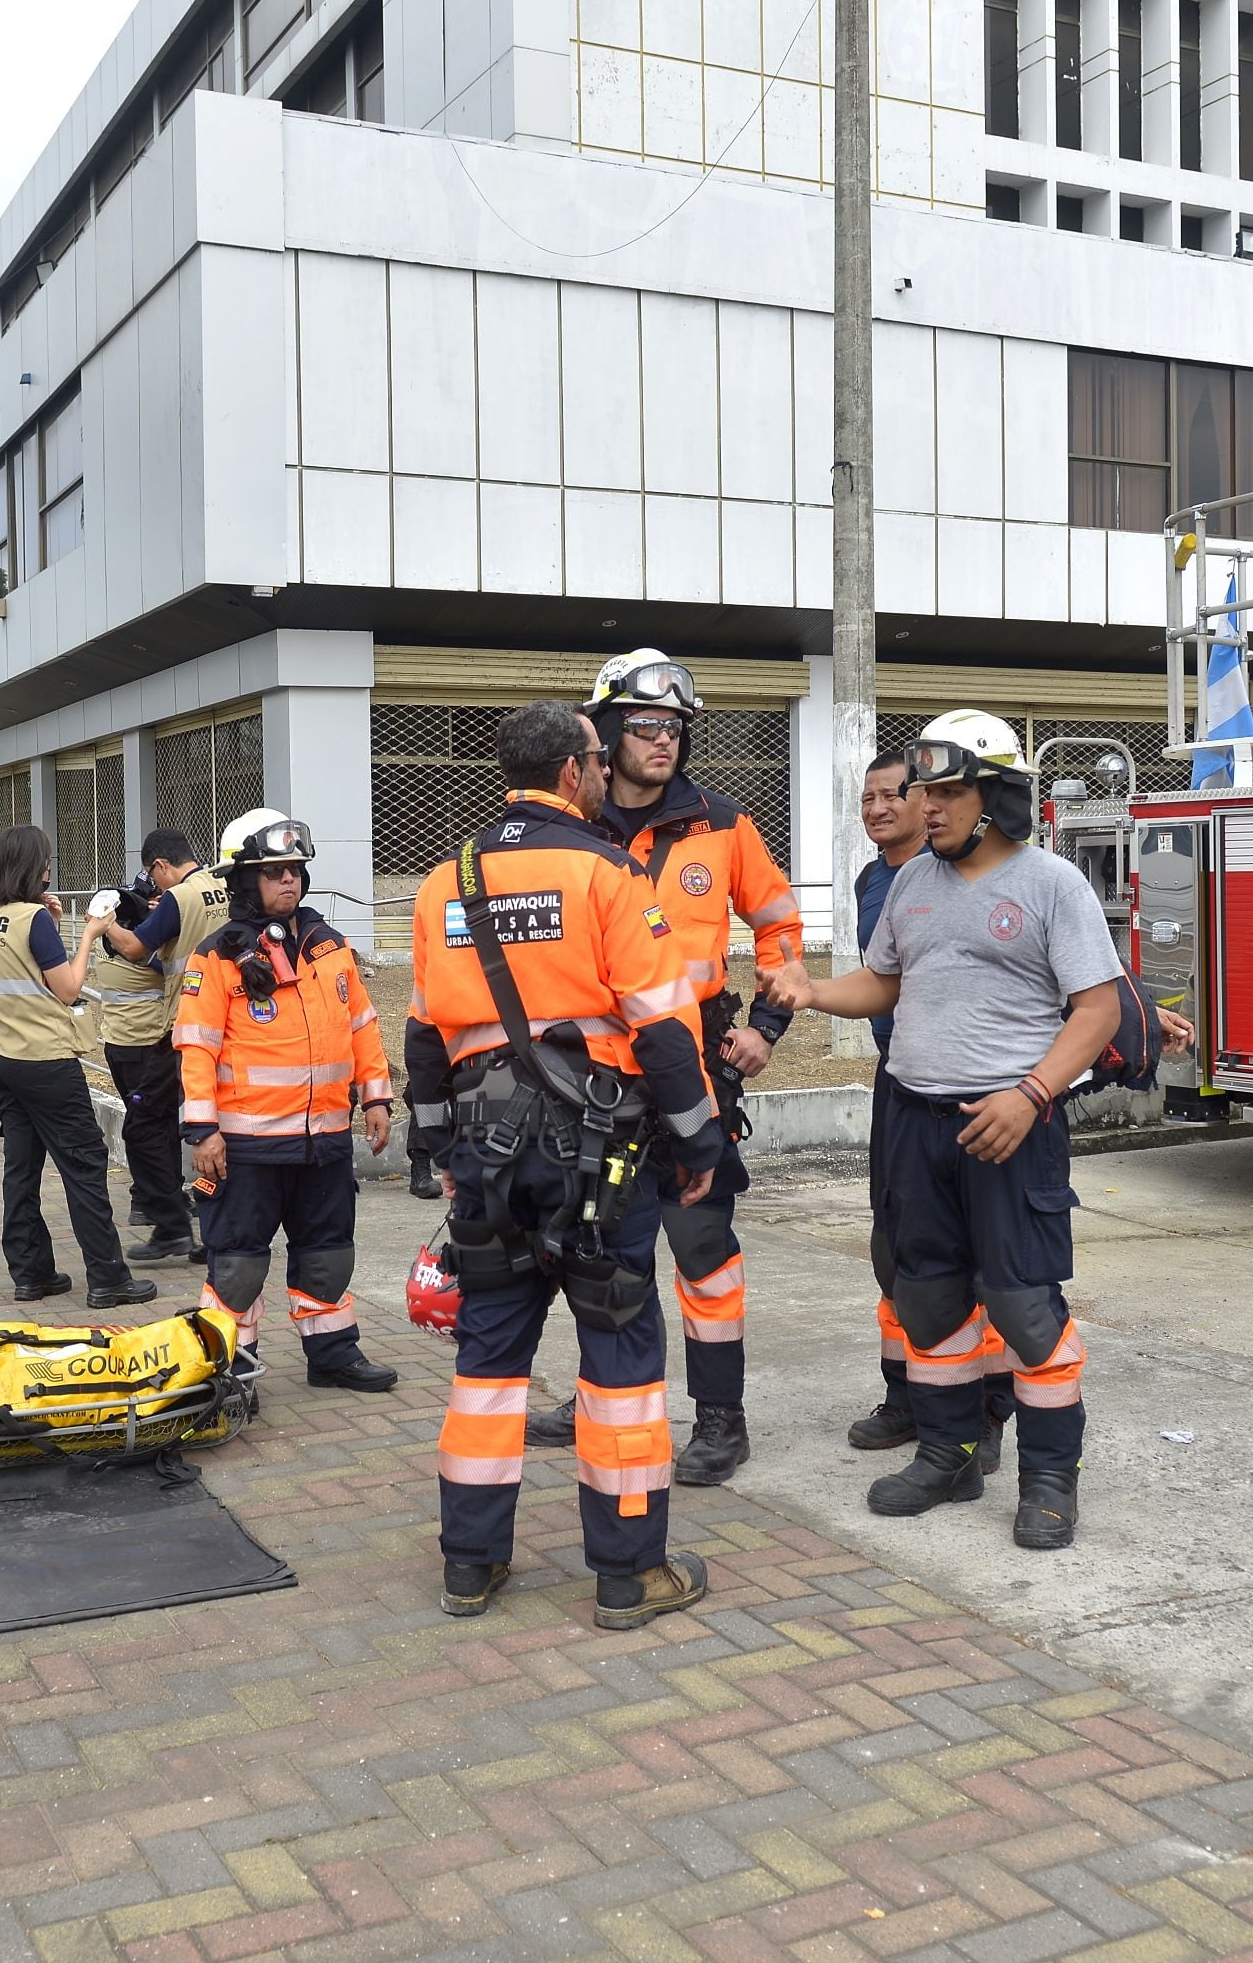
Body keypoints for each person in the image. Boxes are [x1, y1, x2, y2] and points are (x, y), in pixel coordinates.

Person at [763, 709, 1118, 1552]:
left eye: (950, 792)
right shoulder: (912, 884)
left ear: (997, 797)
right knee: (926, 1300)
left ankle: (1048, 1481)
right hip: (916, 1123)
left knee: (1026, 1311)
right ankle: (950, 1453)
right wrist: (813, 992)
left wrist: (1031, 1094)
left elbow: (1098, 1010)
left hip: (1010, 1127)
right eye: (928, 791)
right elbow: (884, 983)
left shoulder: (1051, 885)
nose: (930, 808)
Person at [407, 700, 720, 1630]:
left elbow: (425, 1039)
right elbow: (664, 1028)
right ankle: (629, 1576)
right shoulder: (609, 874)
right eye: (596, 756)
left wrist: (437, 1151)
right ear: (576, 773)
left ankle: (471, 1566)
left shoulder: (441, 883)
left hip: (488, 1155)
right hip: (601, 1162)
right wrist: (699, 1142)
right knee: (620, 1360)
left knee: (488, 1364)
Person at [520, 650, 800, 1488]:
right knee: (597, 1241)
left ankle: (721, 1419)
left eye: (675, 727)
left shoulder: (722, 822)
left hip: (698, 1067)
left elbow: (780, 927)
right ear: (603, 736)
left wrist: (769, 1026)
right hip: (588, 1075)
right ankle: (603, 1396)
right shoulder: (570, 828)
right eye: (644, 725)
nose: (662, 740)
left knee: (702, 1243)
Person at [174, 808, 400, 1393]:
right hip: (245, 1148)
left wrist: (376, 1098)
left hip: (323, 1142)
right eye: (274, 872)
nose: (289, 881)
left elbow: (362, 1026)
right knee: (238, 1265)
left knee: (328, 1253)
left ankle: (332, 1356)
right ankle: (229, 1369)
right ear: (244, 881)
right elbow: (194, 1050)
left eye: (295, 870)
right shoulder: (217, 957)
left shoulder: (329, 947)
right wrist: (203, 1131)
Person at [847, 750, 1017, 1466]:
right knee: (900, 1249)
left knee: (984, 1261)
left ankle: (988, 1411)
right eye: (869, 798)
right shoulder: (877, 880)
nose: (881, 808)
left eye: (896, 795)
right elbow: (878, 979)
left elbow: (1065, 966)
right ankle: (908, 1395)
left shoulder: (984, 876)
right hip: (903, 1082)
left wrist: (1131, 1010)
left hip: (982, 1089)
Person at [0, 824, 161, 1308]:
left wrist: (49, 925)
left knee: (21, 1167)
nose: (50, 870)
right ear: (31, 866)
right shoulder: (31, 918)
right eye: (46, 861)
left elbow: (23, 970)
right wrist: (88, 935)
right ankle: (108, 1279)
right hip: (46, 1062)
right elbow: (68, 989)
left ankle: (31, 1274)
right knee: (84, 1165)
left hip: (2, 1056)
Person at [92, 827, 229, 1262]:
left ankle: (172, 1226)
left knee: (145, 1124)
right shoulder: (225, 885)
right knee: (223, 1127)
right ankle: (220, 1229)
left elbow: (133, 948)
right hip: (236, 1025)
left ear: (160, 866)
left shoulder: (179, 898)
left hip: (186, 1027)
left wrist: (105, 923)